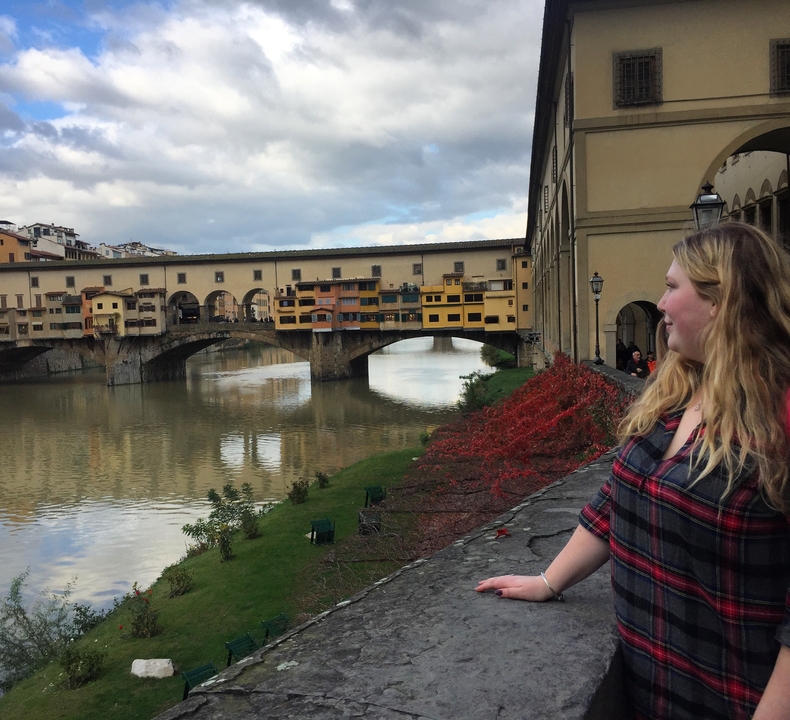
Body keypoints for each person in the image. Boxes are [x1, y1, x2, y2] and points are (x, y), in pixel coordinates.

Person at [476, 222, 790, 720]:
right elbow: (618, 501)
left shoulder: (779, 420)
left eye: (671, 287)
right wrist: (548, 580)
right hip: (655, 692)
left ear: (721, 300)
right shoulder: (676, 396)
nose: (661, 304)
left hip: (736, 697)